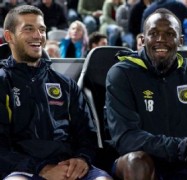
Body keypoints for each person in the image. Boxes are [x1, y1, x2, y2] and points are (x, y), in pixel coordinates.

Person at [105, 8, 187, 180]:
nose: (161, 39)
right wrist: (182, 147)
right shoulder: (122, 73)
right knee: (137, 161)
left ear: (180, 40)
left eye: (169, 34)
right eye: (153, 33)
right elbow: (126, 138)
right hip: (144, 162)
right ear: (143, 40)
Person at [0, 5, 112, 180]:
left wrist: (82, 159)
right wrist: (42, 169)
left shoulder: (66, 84)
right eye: (28, 29)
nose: (38, 35)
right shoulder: (3, 82)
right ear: (9, 36)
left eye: (42, 29)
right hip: (23, 169)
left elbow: (87, 135)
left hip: (69, 167)